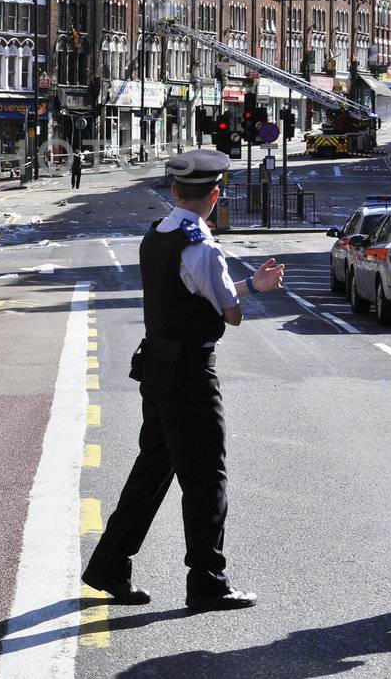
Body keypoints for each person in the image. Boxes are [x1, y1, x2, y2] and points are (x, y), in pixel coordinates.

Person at [83, 149, 284, 612]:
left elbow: (188, 294)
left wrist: (247, 285)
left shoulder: (157, 235)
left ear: (174, 191)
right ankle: (207, 581)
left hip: (155, 365)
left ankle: (110, 565)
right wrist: (253, 289)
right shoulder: (202, 246)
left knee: (153, 469)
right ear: (215, 196)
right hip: (190, 371)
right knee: (206, 476)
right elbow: (229, 313)